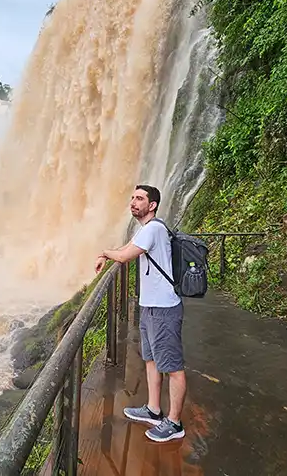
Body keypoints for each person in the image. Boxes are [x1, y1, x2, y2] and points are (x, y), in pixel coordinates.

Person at [94, 184, 186, 443]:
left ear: (152, 205)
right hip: (150, 306)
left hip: (164, 308)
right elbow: (124, 249)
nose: (133, 202)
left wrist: (104, 253)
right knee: (152, 359)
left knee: (173, 366)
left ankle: (175, 422)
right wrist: (109, 253)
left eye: (140, 198)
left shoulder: (154, 229)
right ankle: (154, 410)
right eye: (132, 197)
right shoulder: (144, 230)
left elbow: (124, 257)